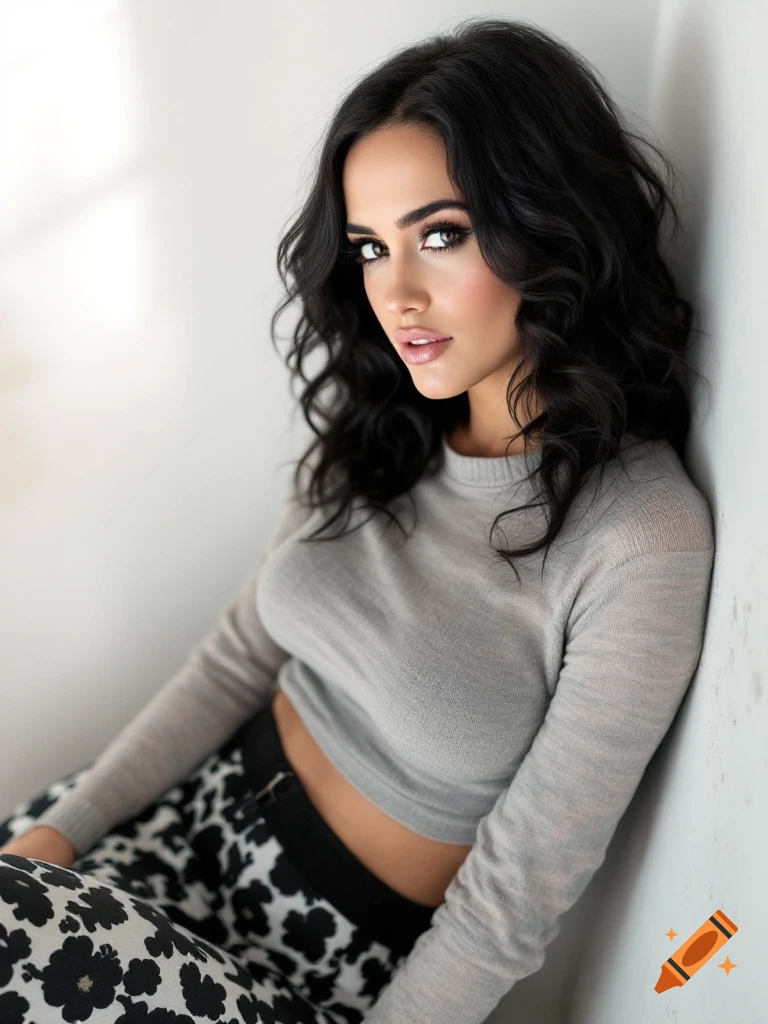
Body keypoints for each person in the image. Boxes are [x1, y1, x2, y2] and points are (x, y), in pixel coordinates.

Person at [0, 16, 716, 1024]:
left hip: (303, 964)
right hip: (159, 833)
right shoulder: (379, 435)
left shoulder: (638, 536)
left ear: (549, 222)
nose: (397, 293)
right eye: (372, 247)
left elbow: (518, 891)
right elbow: (236, 657)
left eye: (441, 234)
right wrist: (64, 832)